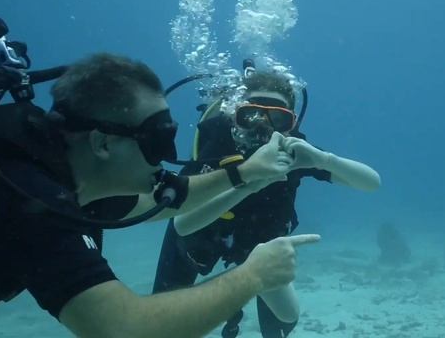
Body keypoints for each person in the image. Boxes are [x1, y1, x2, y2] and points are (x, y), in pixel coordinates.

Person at [0, 53, 320, 337]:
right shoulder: (30, 200)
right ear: (103, 143)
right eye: (156, 139)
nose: (166, 154)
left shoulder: (79, 177)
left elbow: (159, 200)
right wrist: (252, 276)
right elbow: (123, 329)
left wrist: (244, 173)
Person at [153, 68, 381, 337]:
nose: (263, 126)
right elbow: (182, 225)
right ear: (236, 115)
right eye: (251, 114)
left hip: (260, 243)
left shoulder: (293, 152)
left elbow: (371, 182)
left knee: (284, 321)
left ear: (292, 123)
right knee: (161, 325)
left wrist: (323, 159)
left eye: (278, 117)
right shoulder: (220, 144)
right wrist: (251, 181)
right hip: (199, 237)